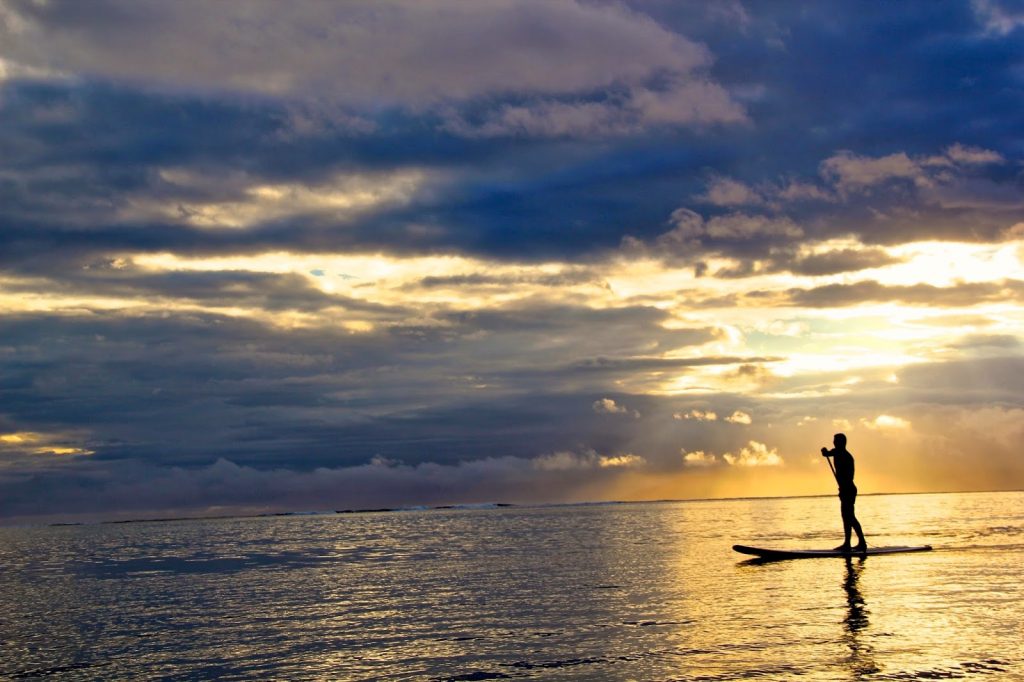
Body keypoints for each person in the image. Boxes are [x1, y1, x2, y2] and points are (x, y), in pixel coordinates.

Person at [821, 433, 867, 553]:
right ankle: (847, 543)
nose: (834, 443)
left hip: (849, 490)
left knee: (850, 517)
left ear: (842, 442)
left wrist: (844, 488)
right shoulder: (836, 452)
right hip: (844, 490)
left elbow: (849, 476)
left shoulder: (847, 457)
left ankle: (862, 543)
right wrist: (824, 451)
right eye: (833, 441)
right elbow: (826, 454)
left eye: (836, 441)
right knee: (846, 517)